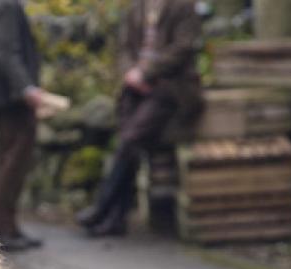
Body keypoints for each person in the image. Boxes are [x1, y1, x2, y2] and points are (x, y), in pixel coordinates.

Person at [76, 0, 203, 236]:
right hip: (135, 88)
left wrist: (146, 72)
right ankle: (115, 219)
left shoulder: (183, 6)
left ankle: (103, 208)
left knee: (130, 141)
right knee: (128, 143)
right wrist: (132, 75)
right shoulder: (136, 7)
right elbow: (124, 48)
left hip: (170, 88)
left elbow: (184, 47)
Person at [0, 0, 68, 251]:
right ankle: (1, 227)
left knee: (9, 161)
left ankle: (6, 225)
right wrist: (26, 89)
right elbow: (6, 53)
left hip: (5, 96)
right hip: (12, 98)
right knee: (13, 164)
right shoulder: (6, 5)